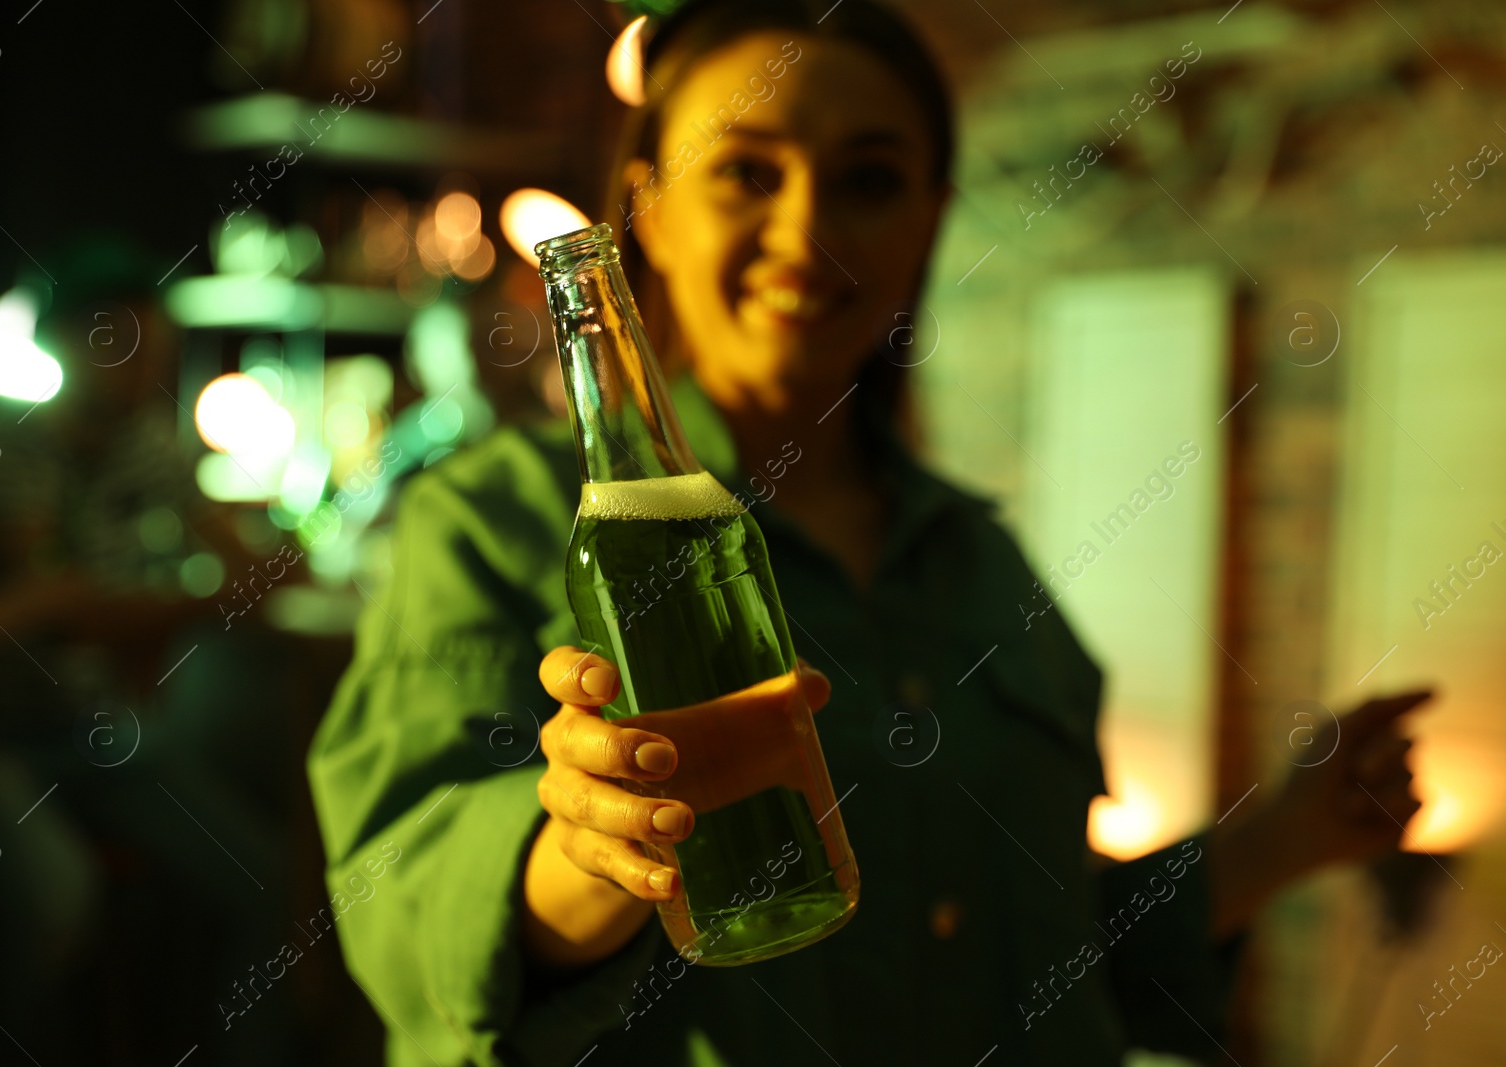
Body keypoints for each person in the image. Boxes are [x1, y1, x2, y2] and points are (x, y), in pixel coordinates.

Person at [306, 2, 1429, 1064]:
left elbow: (1055, 944)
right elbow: (400, 920)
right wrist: (586, 852)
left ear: (930, 220)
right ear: (645, 205)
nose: (807, 230)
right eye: (747, 171)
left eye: (870, 181)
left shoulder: (980, 556)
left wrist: (1286, 833)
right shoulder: (496, 524)